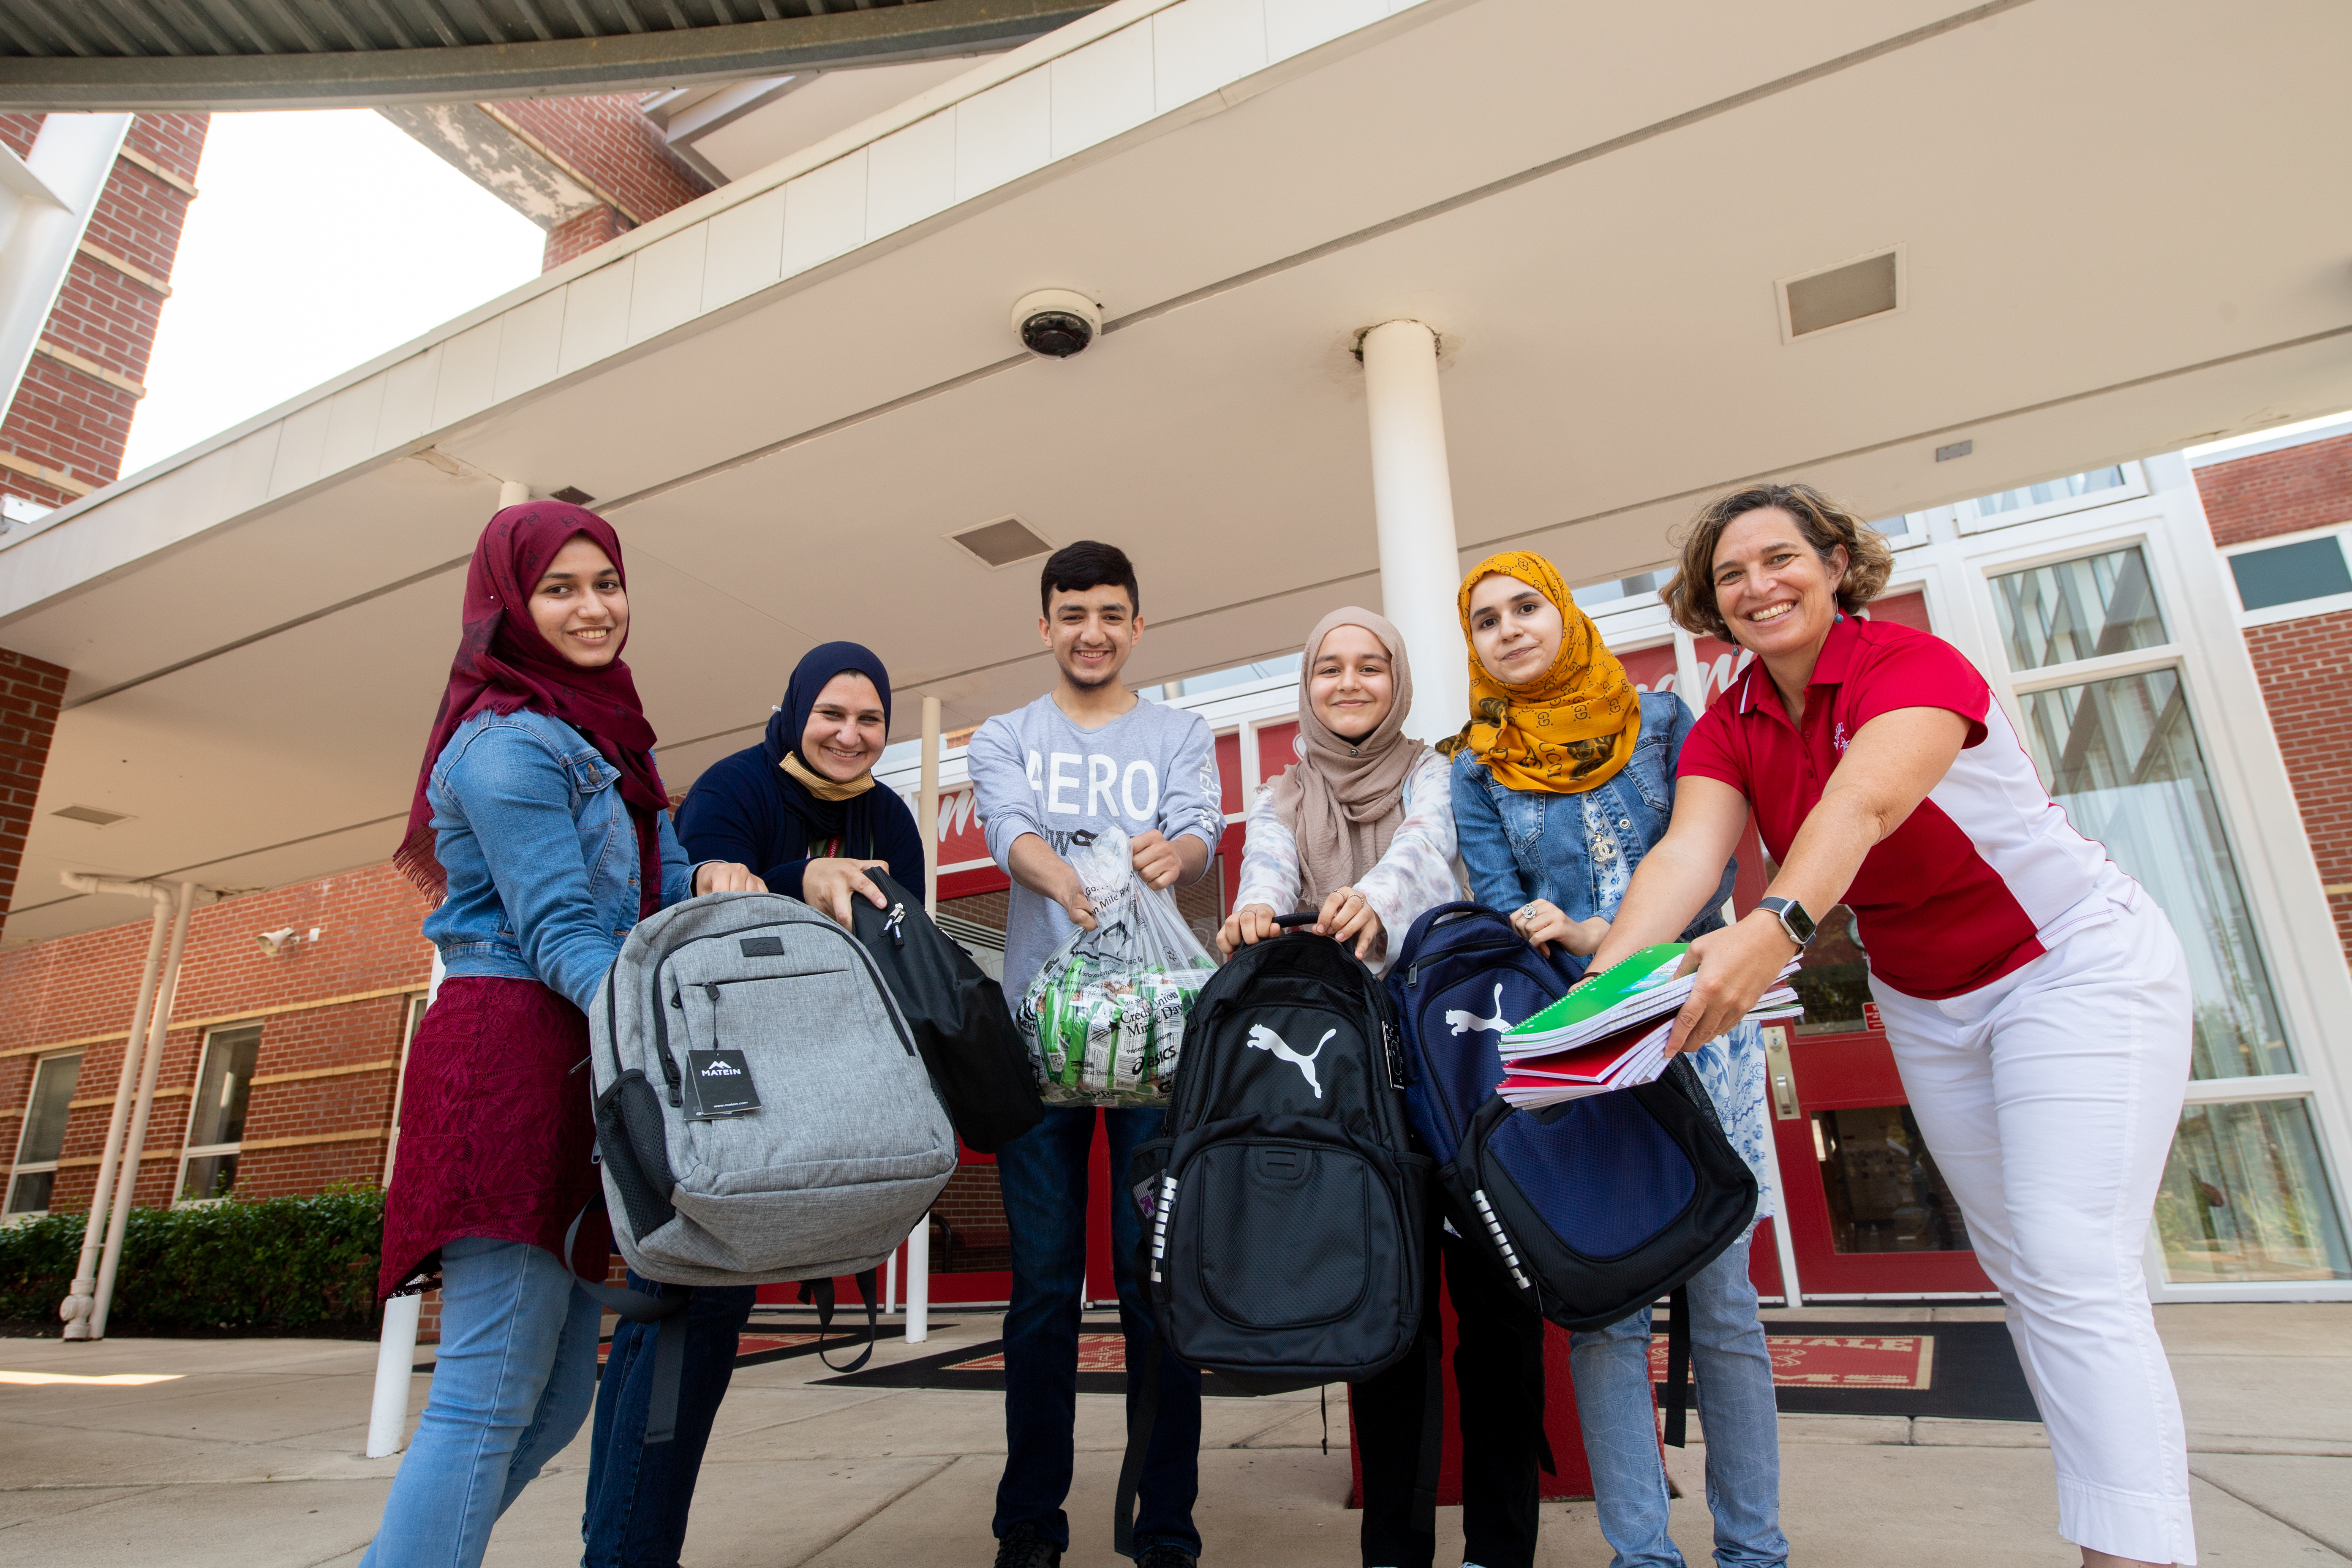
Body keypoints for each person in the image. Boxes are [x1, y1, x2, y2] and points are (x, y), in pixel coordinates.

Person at [1585, 484, 2195, 1568]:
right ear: (1710, 603)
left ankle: (2136, 1554)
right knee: (2028, 1272)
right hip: (1927, 1000)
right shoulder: (1730, 715)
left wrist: (1773, 931)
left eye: (1781, 559)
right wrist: (1593, 998)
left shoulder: (1909, 664)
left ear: (1833, 565)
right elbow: (1685, 856)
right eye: (1732, 574)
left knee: (2072, 1260)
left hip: (2069, 966)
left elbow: (1859, 806)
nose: (1758, 585)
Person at [365, 502, 761, 1568]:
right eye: (560, 588)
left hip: (589, 1063)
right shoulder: (505, 745)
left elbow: (667, 888)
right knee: (488, 1396)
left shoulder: (606, 736)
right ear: (509, 605)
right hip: (512, 1060)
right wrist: (666, 1044)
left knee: (546, 1408)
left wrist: (730, 888)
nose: (594, 608)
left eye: (606, 583)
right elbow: (561, 932)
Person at [1446, 550, 1786, 1568]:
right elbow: (1510, 913)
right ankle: (1642, 1553)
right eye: (1486, 619)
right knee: (1607, 1312)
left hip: (1703, 1024)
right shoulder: (1476, 766)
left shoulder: (1667, 721)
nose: (1509, 629)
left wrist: (1603, 932)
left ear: (1566, 610)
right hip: (1589, 1059)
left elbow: (1716, 860)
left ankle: (1753, 1550)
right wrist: (1554, 939)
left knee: (1725, 1305)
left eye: (1526, 606)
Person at [583, 640, 925, 1568]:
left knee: (691, 1330)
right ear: (796, 708)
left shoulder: (890, 816)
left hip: (818, 1101)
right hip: (717, 1098)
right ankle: (628, 1550)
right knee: (683, 1316)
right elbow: (692, 911)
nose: (851, 735)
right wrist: (785, 885)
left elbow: (906, 955)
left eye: (870, 720)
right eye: (833, 714)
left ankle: (618, 1540)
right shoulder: (736, 787)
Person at [1212, 609, 1493, 1568]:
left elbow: (1425, 848)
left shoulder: (1435, 767)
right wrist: (1255, 906)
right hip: (1354, 1084)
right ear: (1309, 683)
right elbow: (1268, 864)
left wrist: (1372, 895)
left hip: (1450, 1065)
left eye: (1370, 666)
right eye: (1330, 667)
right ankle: (1395, 1549)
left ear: (1397, 678)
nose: (1349, 682)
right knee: (1391, 1314)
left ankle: (1501, 1543)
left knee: (1492, 1313)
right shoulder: (1284, 789)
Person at [966, 540, 1225, 1568]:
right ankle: (1031, 1519)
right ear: (1045, 624)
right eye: (1072, 612)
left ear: (1138, 625)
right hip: (1044, 1046)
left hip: (1159, 1050)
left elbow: (1200, 824)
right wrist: (1061, 879)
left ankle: (1165, 1523)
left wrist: (1179, 854)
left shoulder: (1181, 730)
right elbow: (1008, 829)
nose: (1092, 630)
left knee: (1158, 1282)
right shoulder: (1006, 734)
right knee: (1042, 1288)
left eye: (1112, 612)